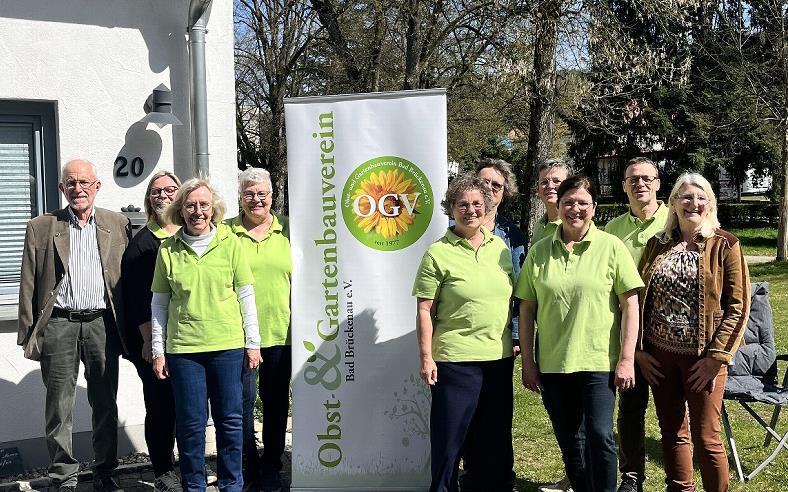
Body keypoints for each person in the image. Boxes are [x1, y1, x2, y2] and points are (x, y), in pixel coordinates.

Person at [516, 176, 642, 492]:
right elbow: (527, 309)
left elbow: (631, 306)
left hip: (598, 360)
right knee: (570, 440)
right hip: (554, 363)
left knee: (600, 434)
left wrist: (626, 360)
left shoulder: (612, 248)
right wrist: (529, 363)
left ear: (594, 208)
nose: (575, 209)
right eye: (568, 202)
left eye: (583, 203)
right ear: (558, 207)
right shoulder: (540, 251)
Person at [17, 159, 131, 492]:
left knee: (105, 403)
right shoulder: (41, 226)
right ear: (61, 188)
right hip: (59, 325)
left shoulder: (118, 223)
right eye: (71, 183)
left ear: (97, 186)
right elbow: (27, 283)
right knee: (59, 408)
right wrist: (29, 333)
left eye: (84, 182)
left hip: (101, 325)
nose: (77, 189)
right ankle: (63, 477)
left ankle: (105, 472)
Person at [637, 173, 750, 492]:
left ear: (711, 204)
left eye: (701, 197)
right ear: (673, 203)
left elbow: (738, 305)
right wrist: (639, 351)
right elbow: (638, 299)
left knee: (707, 437)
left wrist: (717, 358)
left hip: (703, 361)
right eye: (685, 197)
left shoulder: (725, 244)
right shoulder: (657, 244)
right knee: (672, 432)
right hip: (660, 358)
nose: (693, 203)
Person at [150, 179, 261, 492]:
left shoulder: (230, 244)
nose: (197, 211)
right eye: (190, 205)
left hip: (227, 347)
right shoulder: (167, 250)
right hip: (184, 351)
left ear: (214, 210)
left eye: (203, 205)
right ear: (180, 209)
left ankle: (231, 485)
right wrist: (159, 350)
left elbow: (246, 295)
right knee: (190, 427)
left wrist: (253, 343)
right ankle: (194, 487)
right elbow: (159, 304)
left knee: (231, 422)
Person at [413, 173, 515, 492]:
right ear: (451, 209)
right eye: (462, 205)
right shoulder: (437, 253)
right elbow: (424, 309)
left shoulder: (500, 247)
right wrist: (427, 357)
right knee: (449, 442)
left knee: (492, 441)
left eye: (476, 204)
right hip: (456, 362)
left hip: (498, 360)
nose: (470, 210)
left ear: (486, 207)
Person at [603, 157, 668, 492]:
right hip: (629, 335)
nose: (640, 184)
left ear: (658, 182)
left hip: (672, 334)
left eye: (646, 178)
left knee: (674, 410)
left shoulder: (677, 219)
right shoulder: (612, 231)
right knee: (630, 408)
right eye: (633, 179)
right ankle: (632, 477)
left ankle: (678, 475)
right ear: (624, 186)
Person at [226, 168, 292, 492]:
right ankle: (248, 466)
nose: (256, 199)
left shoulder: (289, 230)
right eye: (249, 193)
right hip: (237, 336)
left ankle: (271, 467)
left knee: (276, 406)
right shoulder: (225, 232)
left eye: (261, 194)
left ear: (271, 196)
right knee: (240, 405)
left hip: (281, 333)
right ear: (240, 197)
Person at [121, 171, 183, 492]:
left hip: (189, 338)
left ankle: (185, 463)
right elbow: (135, 299)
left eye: (171, 189)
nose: (164, 195)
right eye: (156, 191)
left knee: (186, 405)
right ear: (149, 199)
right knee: (160, 407)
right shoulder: (142, 244)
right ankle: (162, 472)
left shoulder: (191, 235)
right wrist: (148, 341)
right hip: (153, 341)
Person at [531, 158, 573, 246]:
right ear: (537, 189)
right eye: (544, 182)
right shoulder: (539, 226)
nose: (550, 186)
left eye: (557, 181)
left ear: (570, 187)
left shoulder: (573, 227)